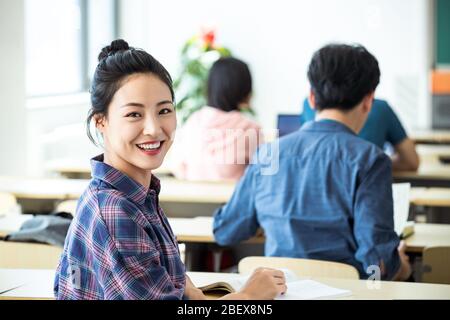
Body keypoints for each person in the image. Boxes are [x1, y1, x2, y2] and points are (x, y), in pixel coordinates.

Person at [54, 39, 286, 300]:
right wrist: (251, 297)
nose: (153, 128)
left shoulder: (137, 193)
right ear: (101, 121)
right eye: (133, 114)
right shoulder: (115, 211)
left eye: (164, 110)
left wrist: (189, 291)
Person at [213, 44, 412, 281]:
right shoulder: (370, 159)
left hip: (280, 293)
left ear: (312, 97)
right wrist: (403, 267)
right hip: (347, 295)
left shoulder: (269, 153)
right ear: (368, 101)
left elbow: (225, 230)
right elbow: (378, 264)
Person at [171, 57, 263, 181]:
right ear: (244, 89)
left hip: (192, 198)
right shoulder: (250, 129)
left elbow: (178, 168)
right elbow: (264, 176)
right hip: (231, 199)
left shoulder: (193, 122)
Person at [300, 98, 420, 171]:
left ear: (312, 97)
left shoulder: (308, 106)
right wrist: (377, 164)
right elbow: (411, 161)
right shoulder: (380, 108)